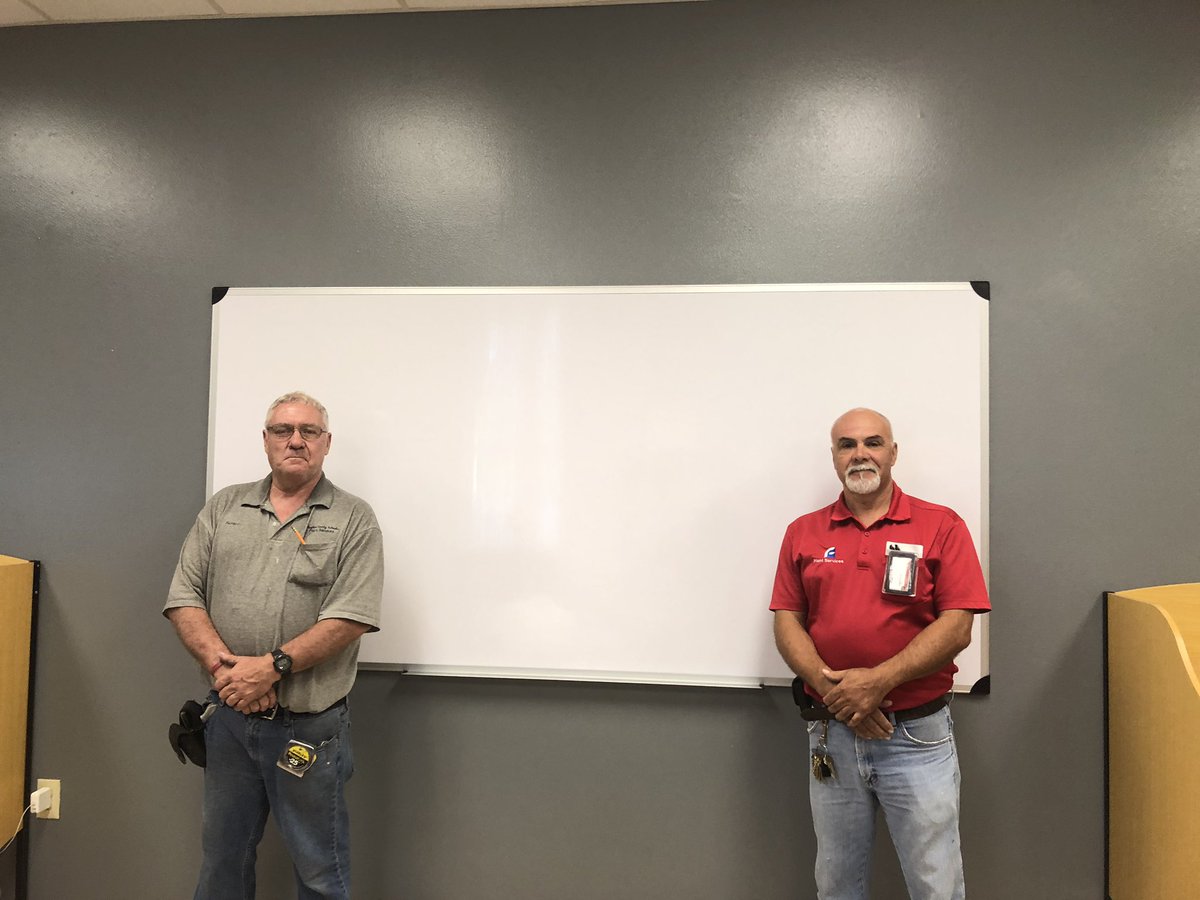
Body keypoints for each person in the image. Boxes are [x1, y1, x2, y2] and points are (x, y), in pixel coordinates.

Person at [164, 391, 384, 900]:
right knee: (222, 860)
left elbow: (351, 616)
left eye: (309, 431)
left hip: (308, 726)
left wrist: (271, 668)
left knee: (319, 870)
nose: (296, 440)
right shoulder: (224, 507)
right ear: (265, 440)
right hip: (229, 721)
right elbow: (182, 595)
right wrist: (231, 675)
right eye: (284, 430)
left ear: (326, 444)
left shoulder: (354, 518)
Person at [770, 408, 990, 900]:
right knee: (836, 882)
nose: (860, 454)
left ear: (893, 453)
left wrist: (879, 682)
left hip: (916, 736)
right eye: (847, 445)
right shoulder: (803, 532)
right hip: (831, 731)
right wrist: (840, 693)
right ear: (834, 458)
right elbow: (787, 621)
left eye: (873, 442)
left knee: (936, 882)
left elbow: (957, 626)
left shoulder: (941, 526)